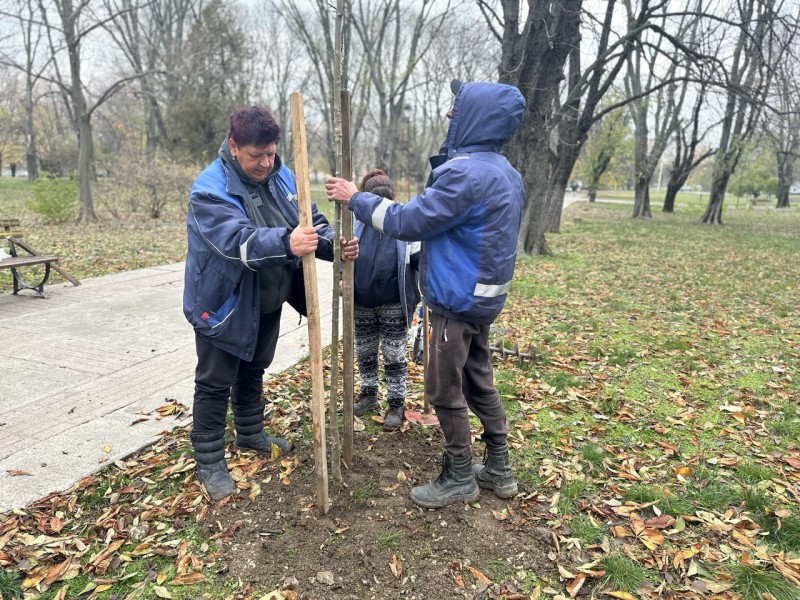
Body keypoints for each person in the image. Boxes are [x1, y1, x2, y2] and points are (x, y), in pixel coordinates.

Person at [326, 80, 526, 509]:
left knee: (442, 388)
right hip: (482, 302)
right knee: (478, 381)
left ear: (475, 117)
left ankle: (458, 475)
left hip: (455, 303)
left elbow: (407, 221)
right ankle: (499, 468)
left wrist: (355, 198)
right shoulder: (505, 172)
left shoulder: (465, 174)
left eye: (457, 108)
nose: (450, 116)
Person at [184, 105, 359, 500]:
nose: (265, 163)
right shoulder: (210, 190)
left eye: (270, 153)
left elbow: (311, 220)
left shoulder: (282, 175)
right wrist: (285, 242)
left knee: (254, 367)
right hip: (224, 303)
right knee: (214, 382)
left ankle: (249, 434)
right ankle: (209, 461)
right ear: (233, 146)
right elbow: (235, 241)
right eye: (255, 156)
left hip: (267, 297)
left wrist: (336, 245)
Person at [350, 169, 420, 431]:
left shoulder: (404, 223)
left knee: (394, 355)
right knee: (365, 351)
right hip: (362, 302)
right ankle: (368, 395)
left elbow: (417, 262)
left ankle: (396, 404)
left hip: (394, 301)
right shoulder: (354, 221)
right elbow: (342, 256)